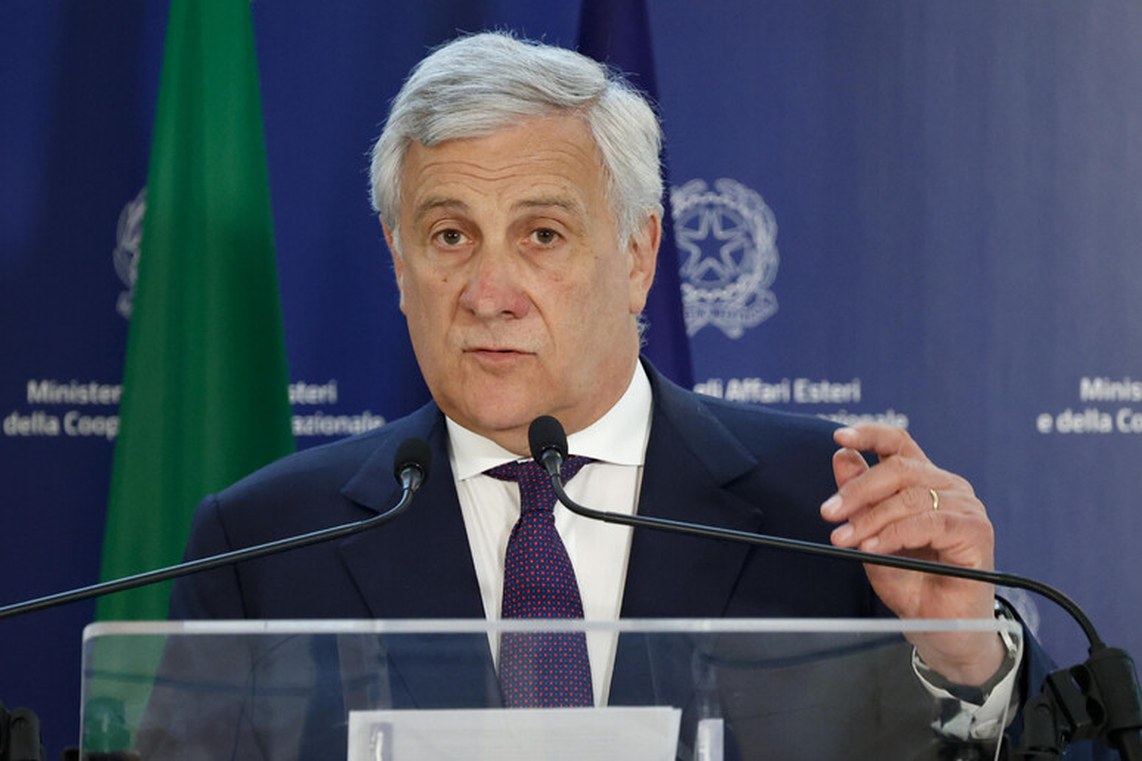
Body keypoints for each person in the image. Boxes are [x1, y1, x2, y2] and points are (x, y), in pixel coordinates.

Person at [145, 31, 1083, 760]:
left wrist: (969, 659)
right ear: (399, 263)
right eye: (449, 236)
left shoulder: (834, 516)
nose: (488, 292)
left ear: (639, 256)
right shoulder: (263, 546)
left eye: (543, 235)